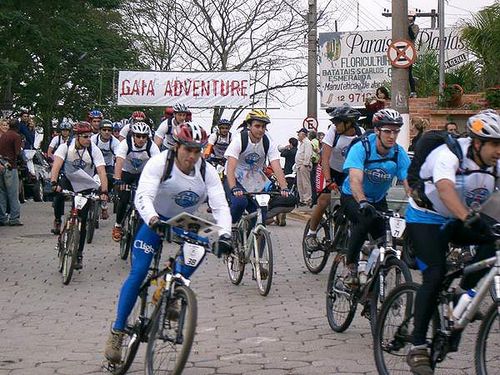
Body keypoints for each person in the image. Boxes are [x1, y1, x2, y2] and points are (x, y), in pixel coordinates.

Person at [104, 122, 233, 364]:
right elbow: (144, 195)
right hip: (156, 217)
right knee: (140, 271)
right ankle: (117, 331)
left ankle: (173, 289)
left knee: (201, 246)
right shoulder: (160, 163)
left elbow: (220, 205)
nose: (192, 156)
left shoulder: (207, 171)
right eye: (188, 150)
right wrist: (153, 219)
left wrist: (225, 234)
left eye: (197, 151)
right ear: (176, 147)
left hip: (185, 221)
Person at [405, 110, 500, 375]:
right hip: (425, 217)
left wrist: (486, 222)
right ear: (478, 143)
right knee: (434, 276)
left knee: (492, 244)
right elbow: (445, 189)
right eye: (494, 144)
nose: (498, 151)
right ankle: (418, 346)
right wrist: (469, 218)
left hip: (457, 218)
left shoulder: (495, 163)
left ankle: (463, 294)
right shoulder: (450, 154)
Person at [341, 109, 411, 285]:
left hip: (378, 199)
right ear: (377, 130)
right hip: (353, 196)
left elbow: (410, 183)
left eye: (396, 131)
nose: (392, 136)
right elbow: (356, 179)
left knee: (387, 236)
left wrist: (418, 203)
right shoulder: (362, 147)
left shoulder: (398, 153)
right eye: (387, 131)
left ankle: (373, 281)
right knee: (364, 220)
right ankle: (350, 265)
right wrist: (363, 201)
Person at [50, 121, 109, 267]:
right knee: (58, 196)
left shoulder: (94, 150)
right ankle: (58, 220)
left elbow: (101, 171)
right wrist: (53, 182)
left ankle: (79, 253)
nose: (88, 139)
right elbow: (56, 165)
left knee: (82, 221)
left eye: (90, 136)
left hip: (85, 183)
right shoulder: (65, 147)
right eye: (85, 136)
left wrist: (104, 191)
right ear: (77, 136)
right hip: (69, 179)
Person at [304, 105, 362, 250]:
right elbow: (325, 157)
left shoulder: (359, 135)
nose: (334, 125)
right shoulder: (333, 132)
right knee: (324, 200)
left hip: (347, 173)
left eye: (337, 122)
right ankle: (311, 235)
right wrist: (329, 181)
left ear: (348, 123)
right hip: (328, 169)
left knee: (352, 202)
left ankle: (344, 231)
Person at [224, 109, 290, 226]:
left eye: (263, 127)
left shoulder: (268, 142)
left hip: (254, 179)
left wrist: (284, 187)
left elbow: (277, 167)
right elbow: (230, 168)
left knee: (261, 212)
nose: (261, 130)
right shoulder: (239, 140)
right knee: (240, 203)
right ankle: (228, 228)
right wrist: (234, 187)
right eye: (257, 126)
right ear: (249, 126)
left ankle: (255, 240)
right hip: (234, 177)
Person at [112, 122, 160, 241]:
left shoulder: (151, 146)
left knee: (145, 199)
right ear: (133, 136)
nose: (141, 139)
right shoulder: (125, 144)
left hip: (142, 174)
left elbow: (158, 165)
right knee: (123, 198)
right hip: (126, 172)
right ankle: (118, 225)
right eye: (138, 136)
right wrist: (118, 179)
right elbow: (119, 161)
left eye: (144, 137)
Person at [91, 119, 119, 219]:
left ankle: (104, 204)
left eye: (109, 130)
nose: (107, 132)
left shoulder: (115, 142)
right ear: (100, 130)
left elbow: (118, 156)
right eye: (104, 130)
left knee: (110, 180)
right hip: (94, 165)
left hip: (108, 166)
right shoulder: (94, 140)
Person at [0, 119, 23, 226]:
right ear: (17, 127)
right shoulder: (16, 136)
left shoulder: (3, 136)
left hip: (1, 164)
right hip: (11, 166)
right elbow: (17, 153)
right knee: (13, 193)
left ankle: (2, 217)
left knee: (2, 193)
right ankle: (14, 218)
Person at [295, 127, 313, 206]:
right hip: (299, 165)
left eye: (299, 134)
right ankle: (302, 199)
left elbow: (308, 154)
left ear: (303, 134)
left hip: (304, 165)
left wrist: (305, 164)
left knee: (305, 183)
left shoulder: (307, 142)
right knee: (300, 183)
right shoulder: (301, 143)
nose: (298, 135)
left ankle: (307, 199)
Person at [408, 10, 420, 98]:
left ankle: (413, 91)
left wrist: (408, 27)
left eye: (410, 17)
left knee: (409, 72)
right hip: (400, 50)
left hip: (409, 51)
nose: (409, 18)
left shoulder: (415, 27)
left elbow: (412, 36)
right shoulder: (400, 26)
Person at [309, 131, 321, 205]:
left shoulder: (312, 142)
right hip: (317, 163)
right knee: (316, 182)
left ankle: (314, 200)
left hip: (314, 163)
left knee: (312, 183)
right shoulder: (317, 141)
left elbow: (314, 149)